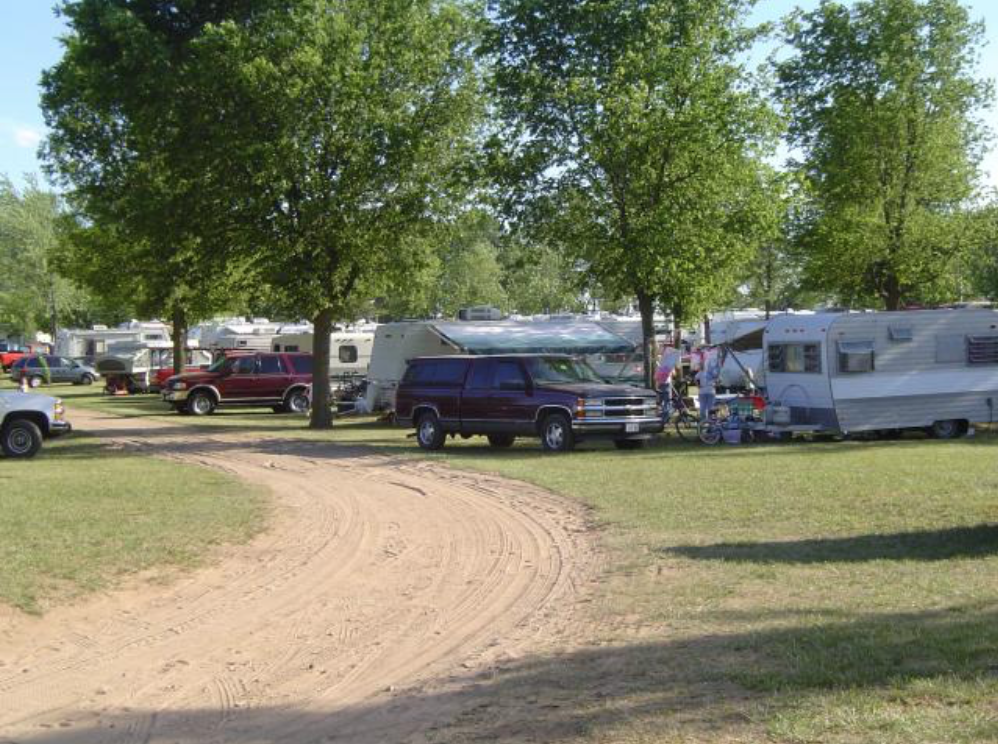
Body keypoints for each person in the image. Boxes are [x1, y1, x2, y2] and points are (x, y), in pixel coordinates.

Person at [696, 347, 719, 418]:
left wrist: (698, 385)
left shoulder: (702, 372)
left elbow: (695, 379)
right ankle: (707, 420)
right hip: (707, 391)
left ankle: (706, 420)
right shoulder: (704, 372)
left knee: (705, 407)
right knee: (707, 407)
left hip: (706, 391)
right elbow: (695, 379)